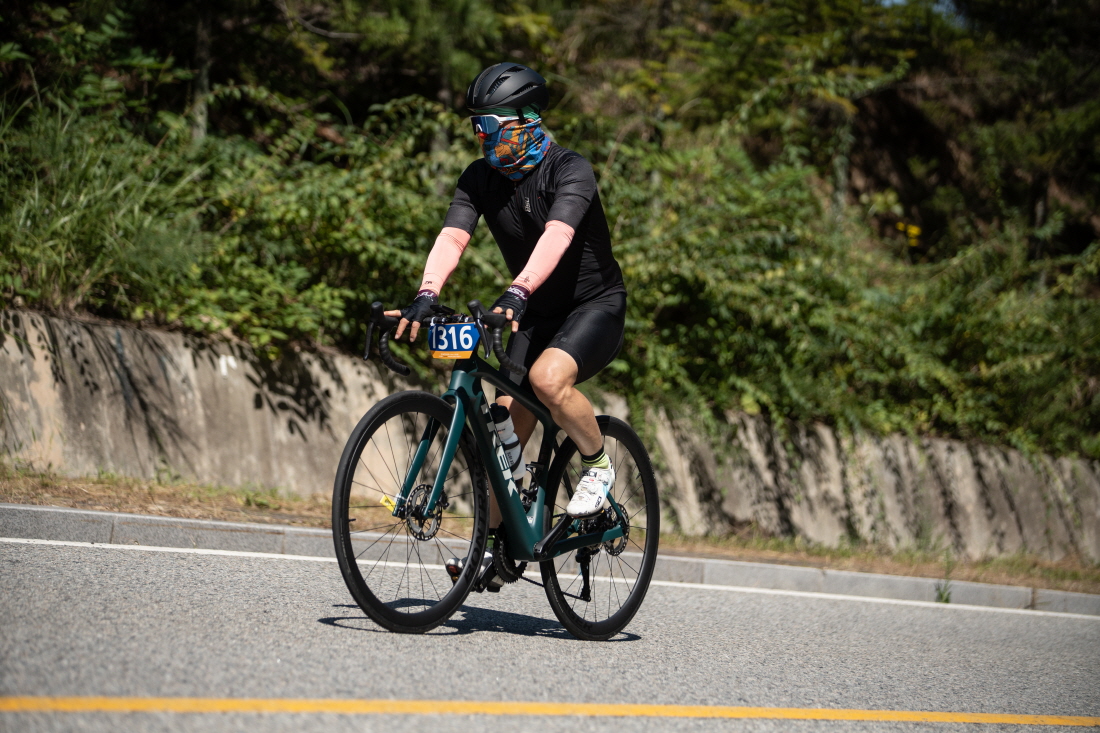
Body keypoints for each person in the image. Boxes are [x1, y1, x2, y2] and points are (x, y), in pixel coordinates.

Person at [387, 61, 626, 558]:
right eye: (475, 126)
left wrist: (517, 290)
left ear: (527, 120)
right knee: (499, 436)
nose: (482, 136)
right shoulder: (480, 177)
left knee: (547, 381)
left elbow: (557, 235)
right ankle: (495, 551)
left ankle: (598, 466)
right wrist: (426, 294)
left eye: (490, 125)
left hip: (593, 305)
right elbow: (452, 237)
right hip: (535, 313)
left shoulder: (571, 169)